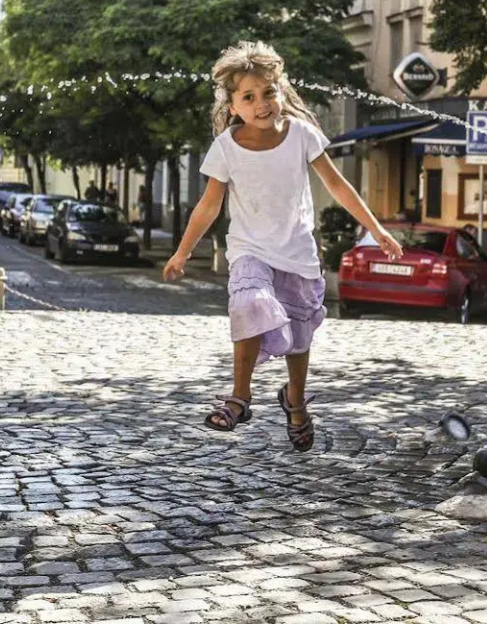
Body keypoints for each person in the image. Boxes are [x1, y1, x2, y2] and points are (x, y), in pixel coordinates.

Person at [163, 40, 404, 450]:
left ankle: (295, 401)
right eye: (249, 97)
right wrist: (182, 251)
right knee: (248, 303)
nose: (262, 103)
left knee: (298, 335)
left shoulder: (302, 136)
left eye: (269, 93)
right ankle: (240, 396)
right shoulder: (226, 148)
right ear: (233, 106)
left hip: (295, 251)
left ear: (281, 91)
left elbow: (337, 185)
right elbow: (208, 206)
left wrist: (376, 229)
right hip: (249, 249)